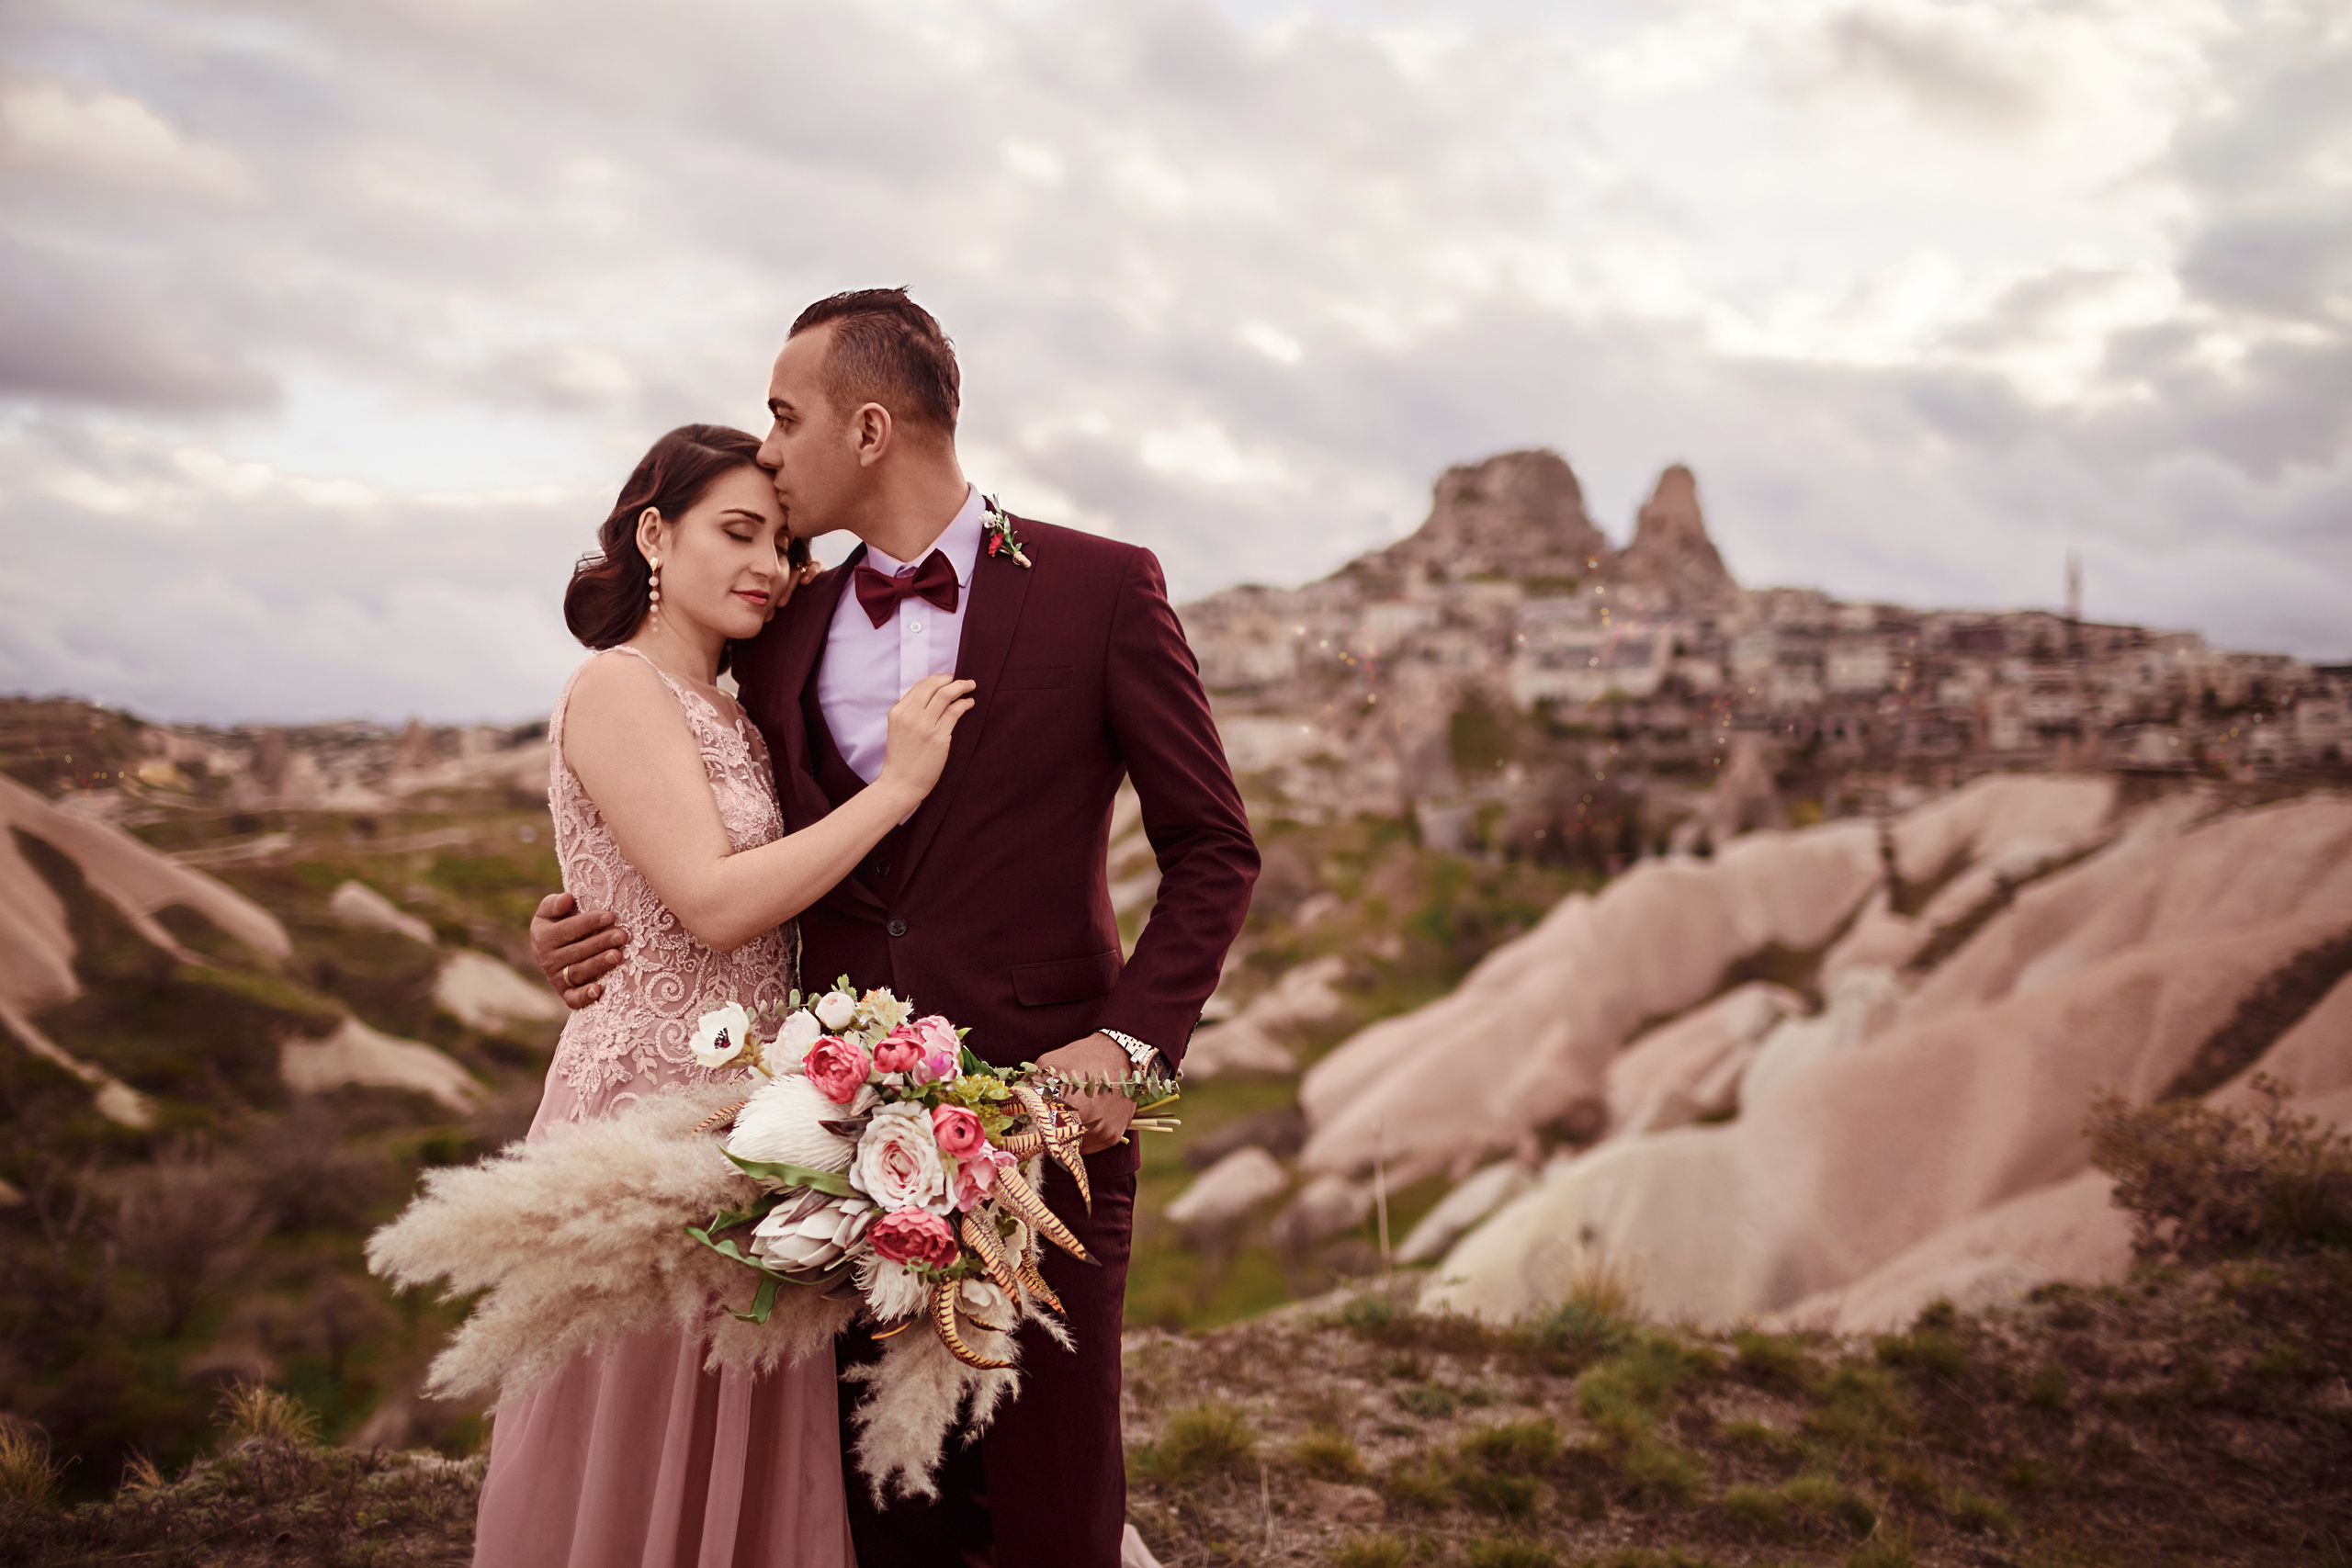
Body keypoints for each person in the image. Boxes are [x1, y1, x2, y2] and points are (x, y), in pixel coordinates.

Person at [531, 290, 1259, 1566]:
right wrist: (583, 928)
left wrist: (1131, 1046)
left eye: (785, 416)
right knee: (884, 1503)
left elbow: (1214, 845)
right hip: (821, 1130)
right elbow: (686, 823)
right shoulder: (781, 622)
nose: (769, 448)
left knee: (1052, 1501)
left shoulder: (1102, 585)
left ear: (869, 430)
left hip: (1047, 1118)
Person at [477, 422, 975, 1568]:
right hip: (643, 1118)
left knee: (739, 1434)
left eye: (785, 542)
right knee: (637, 1436)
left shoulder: (742, 709)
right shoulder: (616, 683)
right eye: (737, 532)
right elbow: (708, 902)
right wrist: (897, 789)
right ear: (656, 533)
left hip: (750, 1120)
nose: (766, 564)